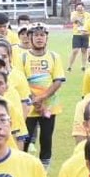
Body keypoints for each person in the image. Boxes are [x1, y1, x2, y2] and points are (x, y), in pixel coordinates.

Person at [17, 24, 66, 165]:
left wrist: (42, 98)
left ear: (46, 38)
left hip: (49, 106)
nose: (39, 38)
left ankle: (44, 170)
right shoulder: (22, 57)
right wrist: (35, 100)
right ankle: (23, 167)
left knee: (46, 140)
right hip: (28, 107)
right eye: (36, 35)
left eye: (42, 35)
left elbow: (58, 80)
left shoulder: (54, 57)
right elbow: (21, 81)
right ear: (30, 38)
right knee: (24, 140)